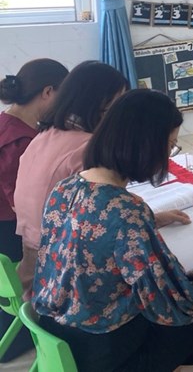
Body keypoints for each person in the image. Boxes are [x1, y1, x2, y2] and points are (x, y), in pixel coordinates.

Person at [31, 89, 193, 372]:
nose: (168, 155)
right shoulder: (126, 211)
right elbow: (182, 302)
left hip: (56, 331)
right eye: (169, 145)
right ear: (145, 145)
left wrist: (151, 220)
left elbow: (88, 231)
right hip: (103, 355)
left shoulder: (66, 187)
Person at [14, 60, 129, 288]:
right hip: (57, 275)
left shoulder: (44, 135)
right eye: (117, 106)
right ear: (98, 104)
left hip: (29, 261)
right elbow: (109, 221)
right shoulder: (87, 148)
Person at [0, 58, 68, 363]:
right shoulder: (21, 140)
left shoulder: (8, 123)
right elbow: (25, 203)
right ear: (48, 92)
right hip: (11, 231)